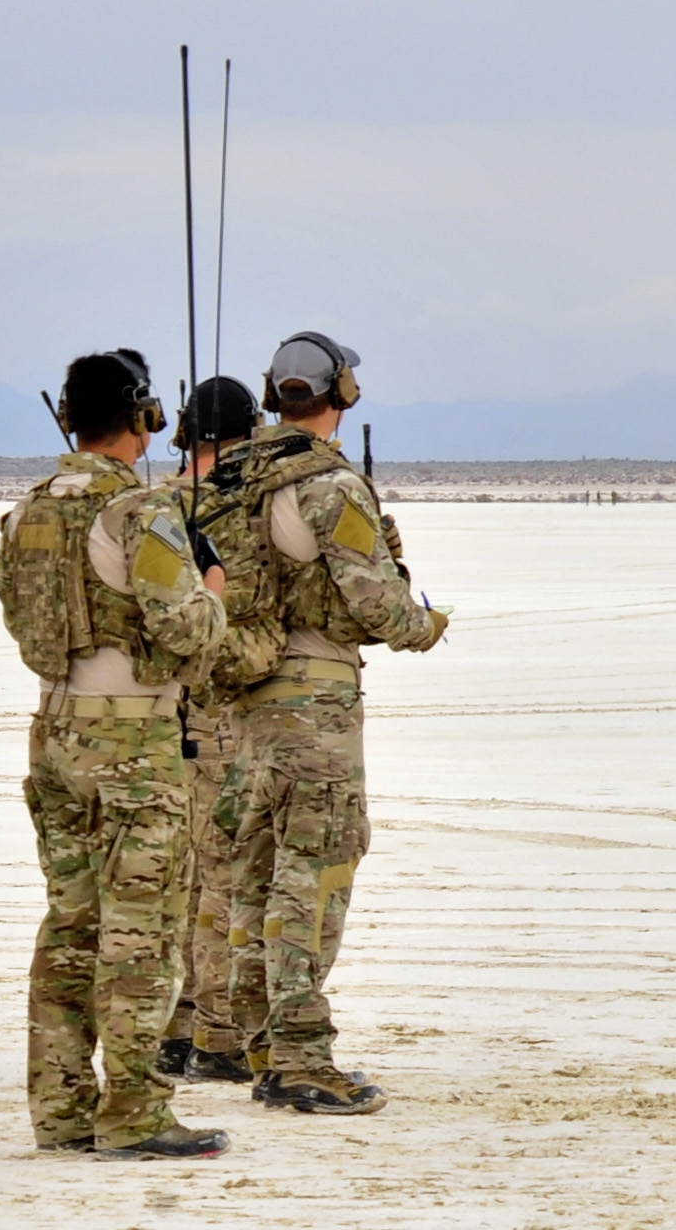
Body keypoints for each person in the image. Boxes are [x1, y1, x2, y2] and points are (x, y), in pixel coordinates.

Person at [0, 349, 231, 1158]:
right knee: (142, 927)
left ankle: (60, 1111)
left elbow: (19, 617)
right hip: (131, 737)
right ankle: (134, 1110)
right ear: (141, 415)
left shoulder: (26, 509)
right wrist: (215, 599)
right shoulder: (137, 511)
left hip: (56, 729)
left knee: (70, 921)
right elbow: (183, 627)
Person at [225, 331, 446, 1115]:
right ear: (340, 393)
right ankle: (300, 1057)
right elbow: (378, 608)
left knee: (260, 871)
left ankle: (261, 1041)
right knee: (313, 870)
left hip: (250, 698)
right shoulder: (330, 485)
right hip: (314, 695)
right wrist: (426, 619)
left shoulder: (237, 474)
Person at [158, 376, 284, 1084]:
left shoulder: (160, 504)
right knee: (223, 877)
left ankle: (177, 1026)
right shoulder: (251, 501)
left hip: (167, 710)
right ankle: (216, 1032)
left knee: (183, 877)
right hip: (227, 706)